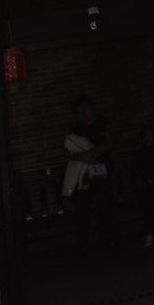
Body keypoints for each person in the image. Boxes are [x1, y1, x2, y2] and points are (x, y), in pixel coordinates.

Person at [61, 95, 115, 248]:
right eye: (79, 112)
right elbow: (68, 152)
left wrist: (93, 153)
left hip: (99, 167)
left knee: (104, 204)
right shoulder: (76, 130)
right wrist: (82, 156)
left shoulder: (103, 123)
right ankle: (83, 246)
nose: (83, 114)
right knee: (82, 208)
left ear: (91, 108)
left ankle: (109, 240)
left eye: (85, 109)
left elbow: (109, 144)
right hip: (83, 171)